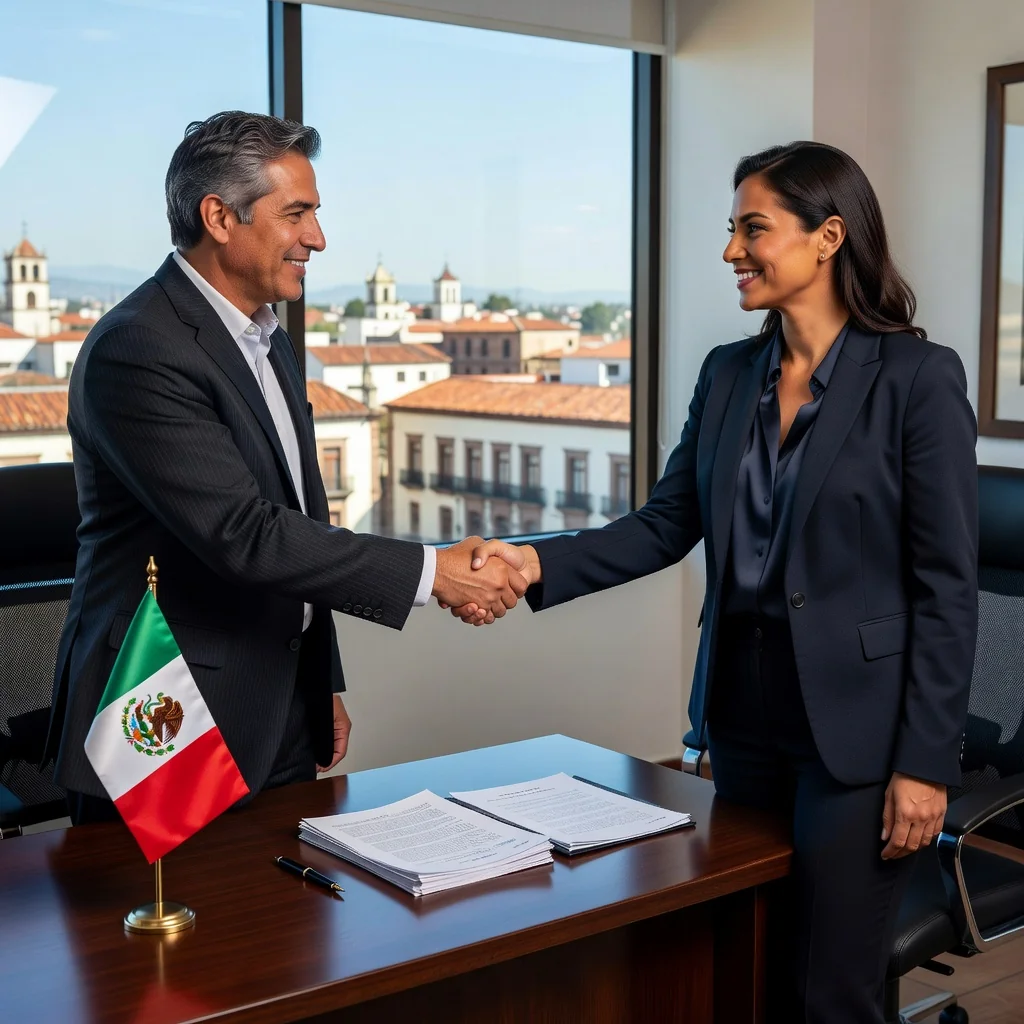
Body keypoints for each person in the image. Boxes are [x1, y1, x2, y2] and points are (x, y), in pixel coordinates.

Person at [447, 142, 979, 1023]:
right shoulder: (729, 374)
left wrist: (925, 763)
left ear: (828, 237)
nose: (732, 250)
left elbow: (947, 587)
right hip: (742, 716)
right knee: (750, 960)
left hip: (858, 734)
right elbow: (666, 524)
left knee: (830, 992)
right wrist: (531, 561)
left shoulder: (917, 381)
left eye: (753, 229)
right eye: (731, 229)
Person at [45, 111, 526, 825]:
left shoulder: (268, 337)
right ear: (219, 217)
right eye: (296, 214)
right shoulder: (138, 348)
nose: (318, 239)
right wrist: (434, 573)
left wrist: (320, 680)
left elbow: (302, 517)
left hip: (280, 705)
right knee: (177, 930)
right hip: (168, 711)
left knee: (290, 927)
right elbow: (246, 533)